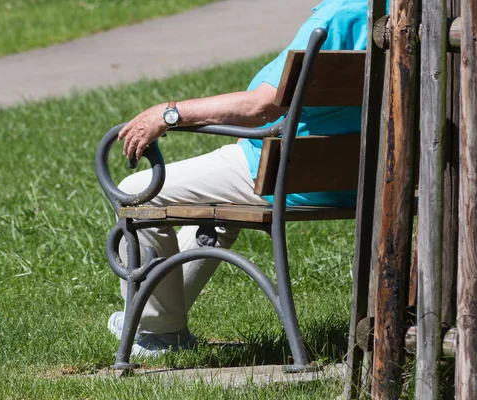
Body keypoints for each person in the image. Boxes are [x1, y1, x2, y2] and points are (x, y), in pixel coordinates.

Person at [109, 0, 373, 357]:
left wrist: (170, 114)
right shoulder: (398, 14)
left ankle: (159, 335)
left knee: (135, 192)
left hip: (286, 176)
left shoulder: (335, 19)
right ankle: (148, 317)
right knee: (211, 214)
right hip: (362, 177)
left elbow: (260, 107)